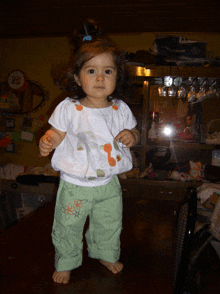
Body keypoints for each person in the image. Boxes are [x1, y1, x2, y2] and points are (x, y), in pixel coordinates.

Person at [39, 21, 140, 284]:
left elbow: (133, 132)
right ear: (76, 77)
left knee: (109, 223)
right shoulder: (69, 107)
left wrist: (133, 136)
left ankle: (104, 252)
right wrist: (49, 139)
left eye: (108, 71)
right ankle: (66, 260)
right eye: (91, 71)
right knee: (68, 225)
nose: (100, 78)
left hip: (109, 184)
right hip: (74, 185)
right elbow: (57, 132)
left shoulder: (120, 109)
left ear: (117, 76)